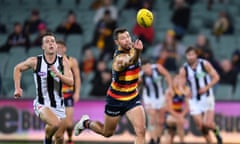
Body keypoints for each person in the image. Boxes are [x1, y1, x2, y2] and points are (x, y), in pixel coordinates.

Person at [74, 28, 146, 144]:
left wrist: (138, 81)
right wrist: (138, 52)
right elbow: (130, 61)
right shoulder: (119, 59)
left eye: (127, 36)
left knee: (141, 131)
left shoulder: (133, 49)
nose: (127, 40)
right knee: (107, 133)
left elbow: (135, 70)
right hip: (116, 99)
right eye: (123, 39)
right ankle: (86, 123)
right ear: (117, 42)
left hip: (132, 97)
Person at [13, 32, 74, 144]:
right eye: (47, 42)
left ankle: (48, 137)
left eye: (53, 41)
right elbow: (17, 68)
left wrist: (59, 75)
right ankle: (47, 139)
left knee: (60, 138)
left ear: (56, 45)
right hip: (42, 103)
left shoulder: (63, 61)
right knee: (55, 124)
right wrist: (17, 88)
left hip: (59, 105)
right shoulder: (35, 61)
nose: (51, 44)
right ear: (43, 47)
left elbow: (71, 82)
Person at [179, 46, 222, 144]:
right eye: (188, 55)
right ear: (186, 56)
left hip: (207, 97)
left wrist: (206, 87)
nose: (190, 57)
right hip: (194, 99)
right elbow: (181, 85)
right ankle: (210, 142)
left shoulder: (204, 64)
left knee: (208, 124)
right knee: (200, 126)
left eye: (192, 54)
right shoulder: (184, 69)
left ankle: (216, 132)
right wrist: (186, 91)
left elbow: (216, 77)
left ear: (196, 55)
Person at [140, 60, 172, 144]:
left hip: (160, 96)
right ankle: (152, 139)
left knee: (160, 121)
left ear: (150, 65)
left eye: (147, 67)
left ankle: (157, 138)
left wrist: (170, 88)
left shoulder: (158, 68)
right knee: (152, 119)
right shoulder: (141, 75)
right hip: (149, 98)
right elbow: (137, 86)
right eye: (144, 69)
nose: (146, 70)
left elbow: (167, 75)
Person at [56, 40, 81, 144]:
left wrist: (77, 92)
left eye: (61, 47)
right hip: (56, 96)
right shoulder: (51, 61)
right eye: (57, 47)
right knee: (57, 123)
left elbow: (77, 78)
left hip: (68, 95)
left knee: (69, 123)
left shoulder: (71, 61)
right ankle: (59, 140)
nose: (59, 49)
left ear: (65, 48)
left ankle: (70, 139)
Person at [164, 74, 190, 144]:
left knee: (171, 136)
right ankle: (182, 141)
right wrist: (180, 117)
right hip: (169, 115)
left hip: (179, 114)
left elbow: (187, 106)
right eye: (176, 79)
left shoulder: (184, 90)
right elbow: (168, 108)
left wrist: (182, 115)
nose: (178, 81)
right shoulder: (170, 91)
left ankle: (182, 141)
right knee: (179, 123)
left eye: (180, 79)